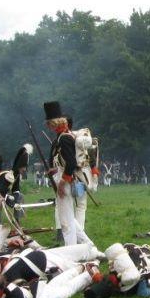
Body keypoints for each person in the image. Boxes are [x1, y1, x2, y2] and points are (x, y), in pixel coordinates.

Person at [44, 101, 92, 245]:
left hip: (65, 181)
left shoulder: (64, 138)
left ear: (54, 123)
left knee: (65, 220)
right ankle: (88, 245)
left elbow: (71, 163)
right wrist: (55, 169)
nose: (47, 126)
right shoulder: (63, 136)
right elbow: (64, 161)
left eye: (49, 123)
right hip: (63, 177)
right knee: (70, 217)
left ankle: (71, 249)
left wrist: (62, 182)